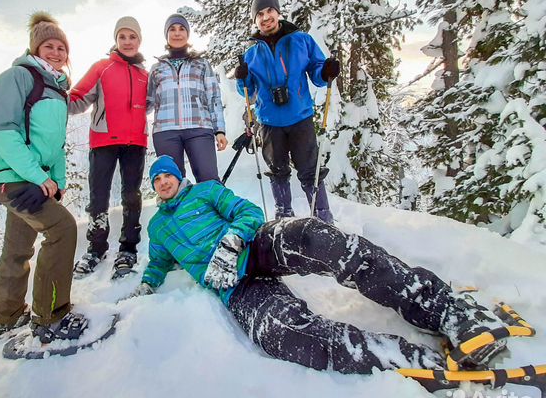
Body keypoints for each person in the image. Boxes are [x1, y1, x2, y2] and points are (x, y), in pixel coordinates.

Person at [124, 155, 507, 375]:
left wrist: (232, 239)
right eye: (156, 178)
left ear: (179, 177)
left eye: (167, 175)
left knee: (318, 238)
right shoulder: (158, 227)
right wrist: (146, 285)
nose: (162, 182)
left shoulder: (206, 191)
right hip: (233, 286)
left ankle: (447, 309)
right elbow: (157, 264)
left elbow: (249, 212)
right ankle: (398, 357)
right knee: (282, 333)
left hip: (255, 245)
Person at [0, 12, 87, 344]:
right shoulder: (16, 77)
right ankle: (50, 318)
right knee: (62, 229)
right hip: (11, 177)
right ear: (35, 48)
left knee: (18, 246)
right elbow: (2, 131)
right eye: (49, 46)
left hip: (32, 178)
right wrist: (34, 176)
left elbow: (54, 145)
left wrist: (56, 182)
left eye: (61, 47)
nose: (56, 52)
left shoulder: (57, 90)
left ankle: (8, 315)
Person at [234, 0, 340, 222]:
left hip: (300, 117)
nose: (265, 17)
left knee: (310, 171)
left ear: (278, 12)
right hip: (270, 123)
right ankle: (283, 215)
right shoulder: (251, 54)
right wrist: (241, 78)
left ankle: (322, 215)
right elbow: (247, 92)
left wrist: (327, 70)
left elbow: (318, 75)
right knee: (277, 171)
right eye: (259, 14)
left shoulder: (301, 40)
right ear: (255, 20)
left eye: (269, 11)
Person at [69, 16, 149, 279]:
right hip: (103, 141)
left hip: (135, 142)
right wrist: (51, 98)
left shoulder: (144, 75)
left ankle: (128, 248)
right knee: (99, 197)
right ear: (115, 40)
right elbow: (78, 98)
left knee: (131, 195)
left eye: (132, 37)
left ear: (139, 40)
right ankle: (96, 247)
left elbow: (150, 103)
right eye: (122, 37)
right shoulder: (102, 68)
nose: (127, 41)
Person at [147, 13, 227, 182]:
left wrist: (219, 130)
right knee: (172, 184)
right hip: (165, 131)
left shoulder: (202, 64)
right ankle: (179, 210)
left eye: (182, 29)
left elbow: (213, 97)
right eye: (172, 29)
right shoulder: (156, 68)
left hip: (199, 127)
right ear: (166, 35)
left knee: (209, 180)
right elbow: (148, 102)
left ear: (188, 34)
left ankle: (211, 209)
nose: (177, 33)